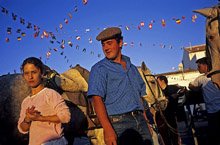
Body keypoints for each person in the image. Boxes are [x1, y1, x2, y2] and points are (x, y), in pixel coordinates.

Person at [87, 27, 153, 145]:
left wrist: (146, 121)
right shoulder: (99, 69)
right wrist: (107, 130)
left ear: (120, 43)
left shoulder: (132, 68)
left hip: (141, 121)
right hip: (118, 125)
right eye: (103, 45)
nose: (106, 48)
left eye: (109, 43)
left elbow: (139, 97)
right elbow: (97, 99)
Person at [17, 57, 71, 145]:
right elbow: (22, 129)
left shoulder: (50, 94)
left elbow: (66, 117)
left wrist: (40, 118)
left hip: (55, 142)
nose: (30, 77)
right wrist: (27, 119)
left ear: (41, 73)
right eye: (26, 73)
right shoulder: (25, 102)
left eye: (34, 72)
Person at [189, 57, 220, 145]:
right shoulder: (200, 79)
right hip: (211, 111)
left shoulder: (215, 75)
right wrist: (195, 88)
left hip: (216, 110)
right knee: (215, 135)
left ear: (206, 66)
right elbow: (190, 85)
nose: (197, 69)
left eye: (199, 67)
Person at [157, 75, 184, 145]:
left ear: (163, 81)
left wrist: (173, 96)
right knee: (165, 137)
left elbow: (183, 90)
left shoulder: (172, 88)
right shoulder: (157, 92)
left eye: (158, 81)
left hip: (172, 115)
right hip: (162, 117)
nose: (156, 83)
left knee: (174, 136)